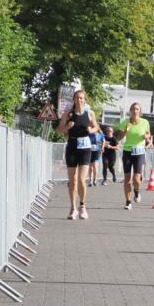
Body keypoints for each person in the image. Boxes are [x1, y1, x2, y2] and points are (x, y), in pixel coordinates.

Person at [56, 90, 100, 220]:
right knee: (73, 181)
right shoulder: (68, 114)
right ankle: (72, 208)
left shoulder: (90, 113)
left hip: (85, 149)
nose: (79, 100)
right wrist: (67, 127)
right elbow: (59, 130)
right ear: (74, 100)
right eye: (77, 98)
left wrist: (91, 130)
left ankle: (83, 206)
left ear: (85, 100)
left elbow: (96, 127)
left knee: (81, 180)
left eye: (82, 98)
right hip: (72, 147)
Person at [116, 103, 152, 210]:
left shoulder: (145, 122)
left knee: (136, 179)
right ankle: (128, 202)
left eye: (137, 109)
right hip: (127, 151)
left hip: (139, 152)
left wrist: (146, 136)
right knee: (127, 179)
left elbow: (148, 134)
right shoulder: (125, 122)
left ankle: (137, 191)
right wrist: (125, 131)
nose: (135, 111)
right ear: (130, 111)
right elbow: (118, 138)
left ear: (139, 112)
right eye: (133, 109)